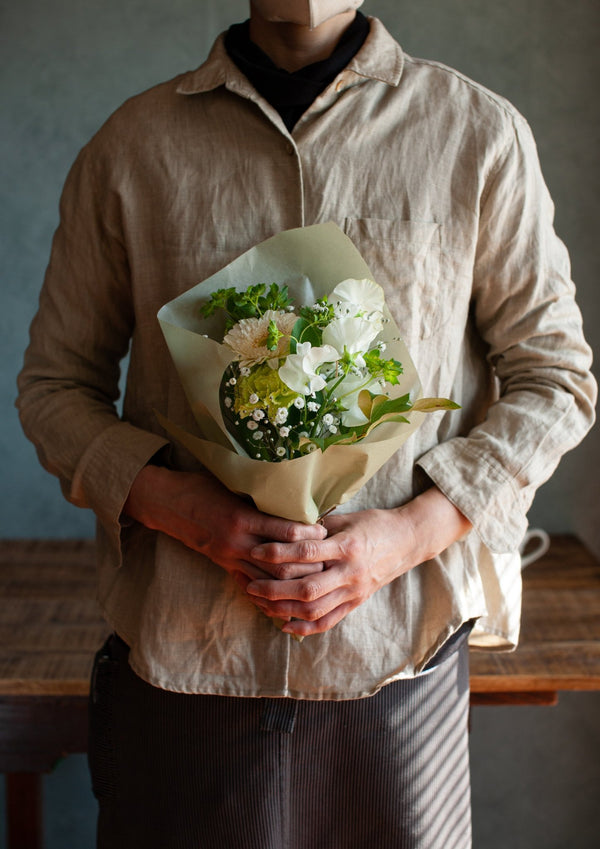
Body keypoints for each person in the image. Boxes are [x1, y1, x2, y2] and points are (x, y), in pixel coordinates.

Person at [16, 1, 596, 847]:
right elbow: (53, 387)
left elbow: (557, 378)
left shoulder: (478, 135)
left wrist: (409, 532)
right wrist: (186, 510)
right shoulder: (133, 145)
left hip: (402, 656)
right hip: (184, 659)